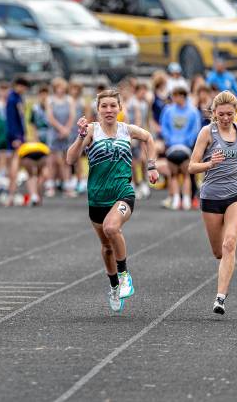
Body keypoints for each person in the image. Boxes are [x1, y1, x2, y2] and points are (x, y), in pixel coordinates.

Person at [66, 89, 158, 312]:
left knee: (111, 227)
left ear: (119, 108)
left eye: (112, 106)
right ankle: (115, 285)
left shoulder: (127, 130)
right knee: (107, 246)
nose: (108, 110)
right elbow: (70, 159)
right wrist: (80, 137)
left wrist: (152, 166)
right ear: (97, 109)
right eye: (104, 106)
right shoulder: (90, 130)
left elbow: (148, 138)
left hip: (123, 192)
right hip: (97, 197)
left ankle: (125, 275)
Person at [188, 91, 237, 315]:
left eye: (230, 114)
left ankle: (220, 297)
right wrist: (210, 163)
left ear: (236, 113)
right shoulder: (207, 133)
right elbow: (191, 166)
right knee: (219, 251)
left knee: (230, 243)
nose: (226, 118)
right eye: (221, 114)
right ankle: (223, 271)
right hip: (211, 195)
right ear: (214, 113)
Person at [159, 85, 202, 210]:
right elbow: (164, 127)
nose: (173, 98)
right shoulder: (169, 110)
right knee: (174, 174)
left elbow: (195, 130)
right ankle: (178, 199)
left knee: (184, 174)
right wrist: (170, 140)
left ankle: (186, 199)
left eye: (175, 96)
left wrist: (186, 142)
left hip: (185, 147)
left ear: (182, 96)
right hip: (173, 146)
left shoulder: (192, 111)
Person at [46, 78, 76, 197]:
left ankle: (67, 186)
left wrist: (66, 129)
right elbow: (50, 117)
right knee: (52, 161)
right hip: (54, 133)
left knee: (66, 160)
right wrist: (60, 128)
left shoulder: (69, 100)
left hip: (66, 133)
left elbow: (72, 115)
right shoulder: (50, 100)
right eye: (58, 87)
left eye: (62, 87)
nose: (60, 90)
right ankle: (50, 186)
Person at [6, 141, 50, 207]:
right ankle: (38, 198)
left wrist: (11, 196)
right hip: (43, 153)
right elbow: (46, 174)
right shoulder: (37, 143)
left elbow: (13, 175)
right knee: (40, 175)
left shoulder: (19, 151)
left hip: (27, 153)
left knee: (30, 175)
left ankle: (33, 196)